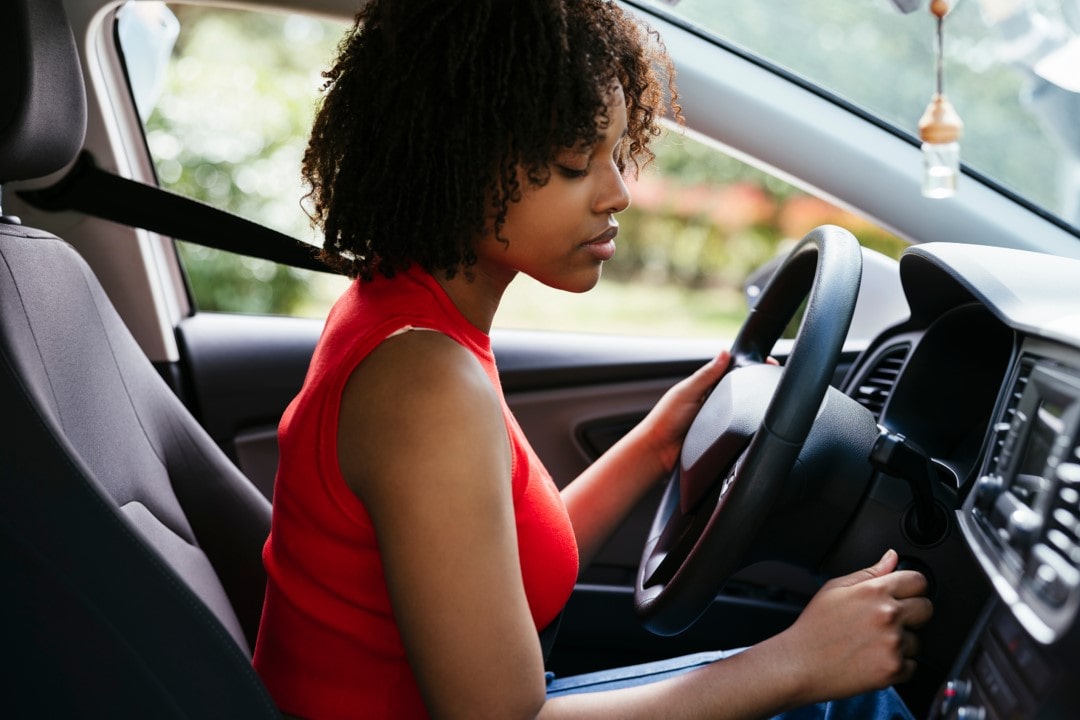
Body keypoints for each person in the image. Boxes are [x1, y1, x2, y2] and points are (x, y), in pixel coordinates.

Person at [252, 1, 934, 718]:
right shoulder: (425, 386)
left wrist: (657, 443)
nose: (618, 193)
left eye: (617, 153)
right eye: (576, 164)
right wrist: (797, 662)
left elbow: (497, 570)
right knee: (856, 707)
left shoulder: (401, 316)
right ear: (457, 160)